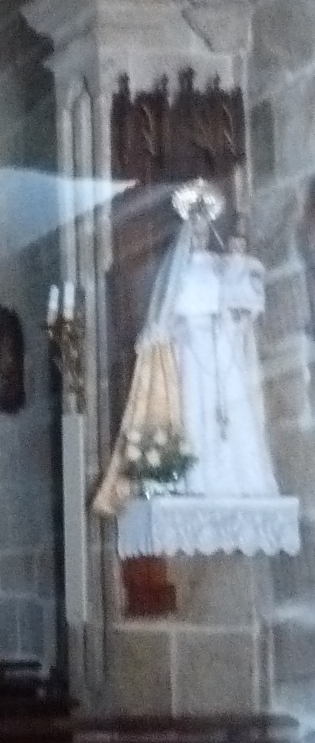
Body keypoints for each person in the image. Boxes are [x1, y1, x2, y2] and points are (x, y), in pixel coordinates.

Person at [95, 182, 283, 511]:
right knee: (197, 412)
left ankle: (241, 483)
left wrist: (235, 312)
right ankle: (197, 481)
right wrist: (179, 331)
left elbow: (239, 304)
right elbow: (169, 315)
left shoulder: (222, 266)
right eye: (194, 228)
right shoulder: (178, 273)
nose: (200, 234)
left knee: (234, 416)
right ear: (186, 230)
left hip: (222, 349)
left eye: (204, 228)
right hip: (193, 353)